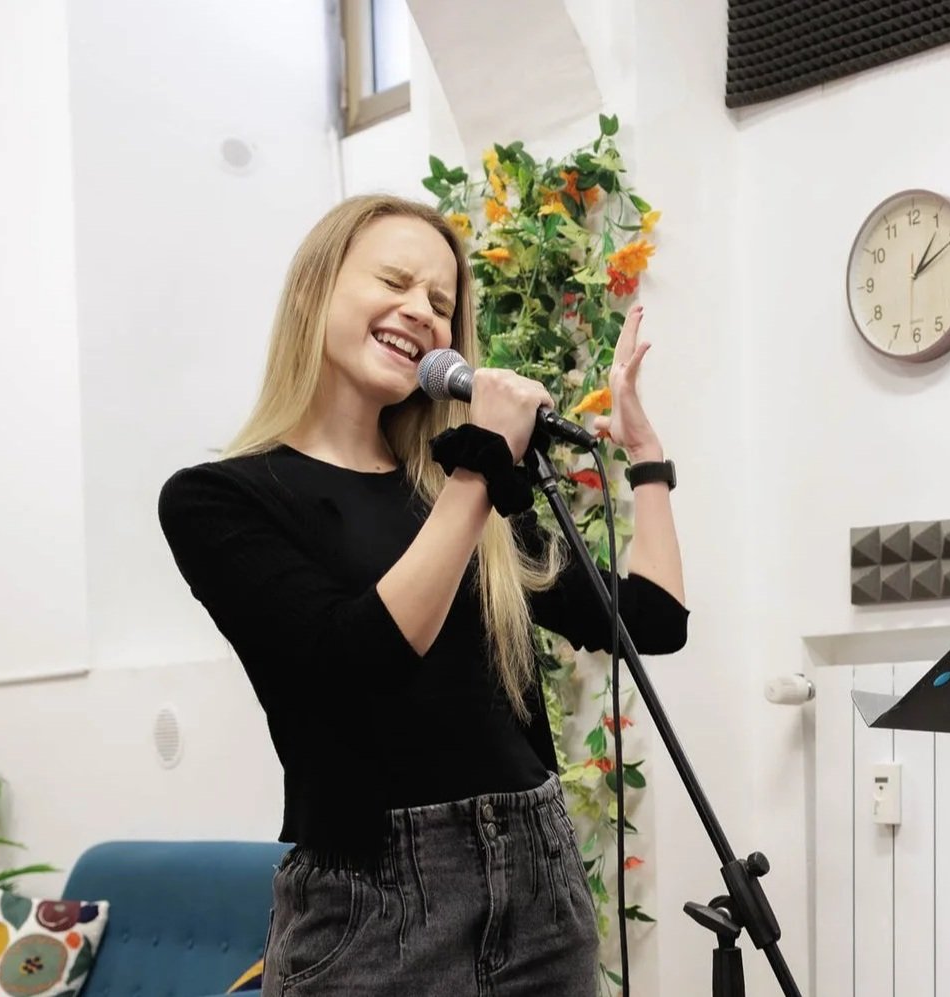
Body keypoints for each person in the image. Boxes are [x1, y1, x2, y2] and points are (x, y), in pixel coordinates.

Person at [157, 194, 688, 996]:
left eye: (440, 303)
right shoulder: (218, 499)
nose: (421, 313)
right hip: (373, 908)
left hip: (537, 885)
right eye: (395, 282)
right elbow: (354, 658)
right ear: (313, 291)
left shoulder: (451, 489)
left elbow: (651, 621)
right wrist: (481, 469)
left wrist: (645, 459)